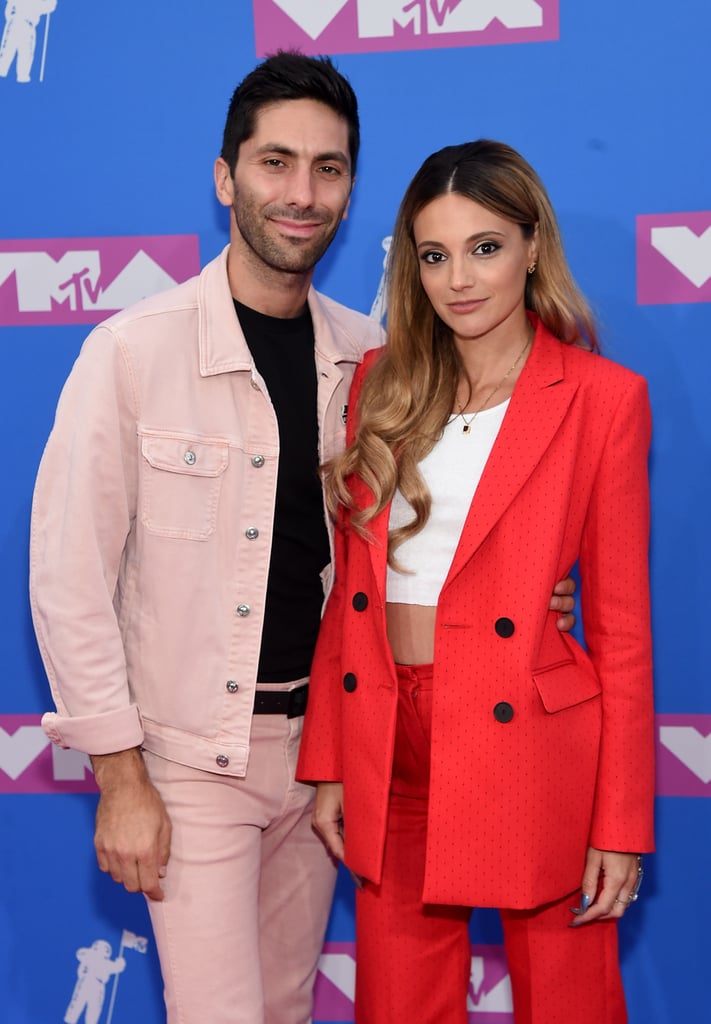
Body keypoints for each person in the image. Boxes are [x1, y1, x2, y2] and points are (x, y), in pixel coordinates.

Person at [30, 52, 577, 1024]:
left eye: (328, 169)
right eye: (276, 162)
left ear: (351, 188)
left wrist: (530, 593)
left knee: (287, 1006)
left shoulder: (375, 359)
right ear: (225, 175)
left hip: (329, 754)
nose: (301, 192)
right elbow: (67, 579)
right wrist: (121, 778)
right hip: (192, 761)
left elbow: (423, 537)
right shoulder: (130, 352)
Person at [297, 139, 654, 1024]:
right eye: (433, 254)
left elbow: (620, 628)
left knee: (565, 1001)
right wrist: (333, 760)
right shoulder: (382, 384)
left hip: (531, 737)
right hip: (391, 728)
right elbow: (353, 593)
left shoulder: (602, 399)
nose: (458, 278)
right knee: (397, 1001)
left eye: (484, 247)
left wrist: (619, 825)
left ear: (533, 247)